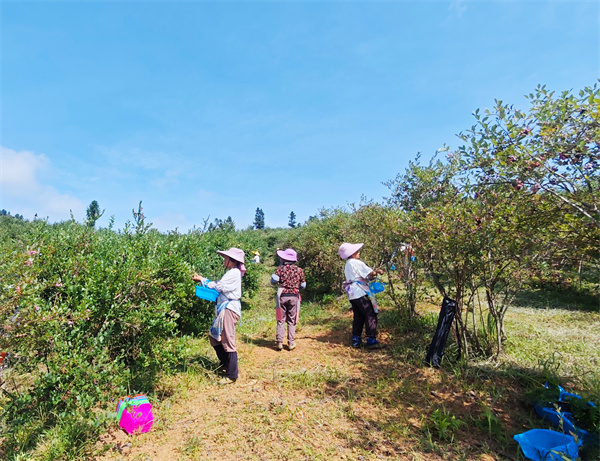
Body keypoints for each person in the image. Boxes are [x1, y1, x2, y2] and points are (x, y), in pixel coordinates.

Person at [192, 247, 245, 384]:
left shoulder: (234, 273)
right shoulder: (232, 272)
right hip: (224, 308)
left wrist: (202, 280)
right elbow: (220, 286)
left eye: (225, 259)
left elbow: (219, 287)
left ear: (232, 261)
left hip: (229, 309)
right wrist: (203, 280)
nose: (224, 261)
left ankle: (232, 374)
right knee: (214, 336)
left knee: (228, 340)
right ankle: (225, 364)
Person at [338, 242, 385, 349]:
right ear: (353, 253)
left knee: (358, 316)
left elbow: (361, 277)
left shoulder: (348, 264)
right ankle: (371, 340)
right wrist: (377, 271)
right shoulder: (356, 262)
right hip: (360, 292)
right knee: (370, 314)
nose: (359, 253)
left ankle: (356, 340)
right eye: (357, 251)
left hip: (353, 294)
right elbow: (371, 273)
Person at [270, 248, 306, 351]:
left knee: (280, 319)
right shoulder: (299, 270)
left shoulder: (280, 269)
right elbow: (303, 285)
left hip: (281, 296)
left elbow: (274, 281)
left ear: (284, 258)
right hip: (294, 296)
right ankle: (291, 342)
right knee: (292, 320)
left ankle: (279, 342)